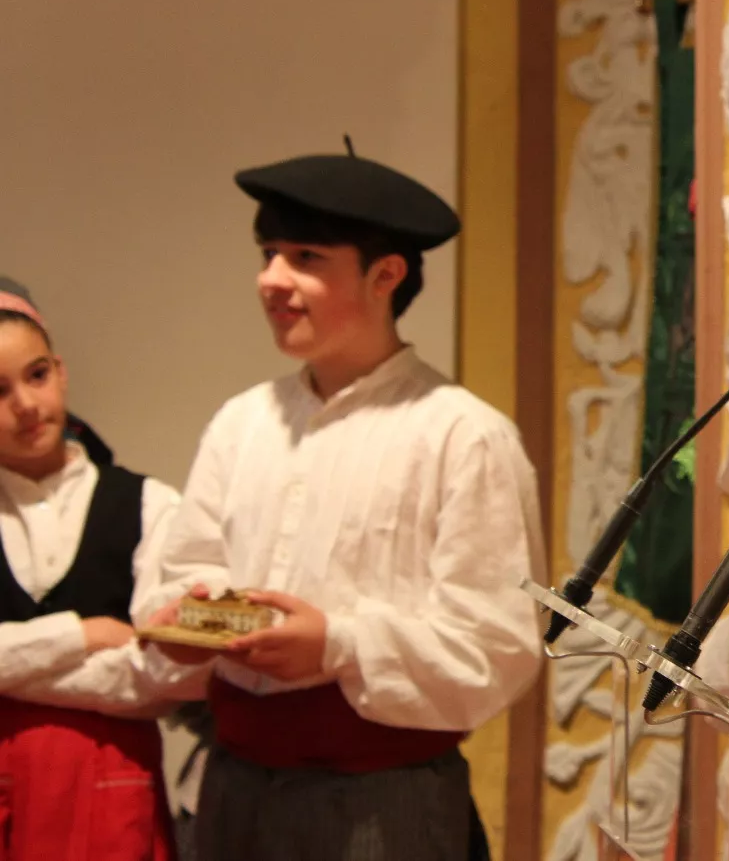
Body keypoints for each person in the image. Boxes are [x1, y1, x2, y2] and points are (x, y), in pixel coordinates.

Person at [142, 146, 546, 861]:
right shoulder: (243, 422)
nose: (272, 280)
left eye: (305, 257)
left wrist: (337, 644)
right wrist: (186, 622)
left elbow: (498, 645)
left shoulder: (463, 434)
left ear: (385, 274)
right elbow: (189, 567)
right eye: (268, 253)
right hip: (233, 787)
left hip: (380, 799)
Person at [0, 276, 188, 860]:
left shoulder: (151, 505)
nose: (27, 406)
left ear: (60, 369)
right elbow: (126, 661)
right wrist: (81, 635)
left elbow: (163, 678)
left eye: (37, 376)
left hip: (111, 803)